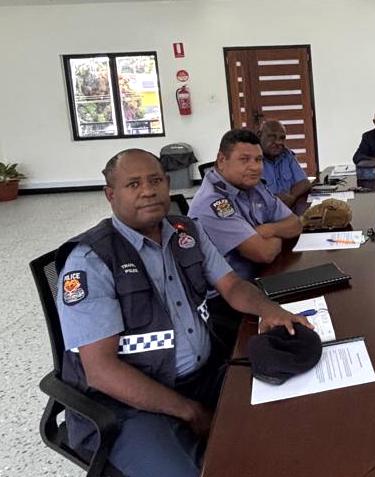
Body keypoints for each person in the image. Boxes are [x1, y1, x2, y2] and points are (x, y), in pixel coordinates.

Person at [55, 149, 312, 477]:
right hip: (129, 405)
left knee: (288, 417)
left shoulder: (185, 231)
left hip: (202, 375)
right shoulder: (91, 260)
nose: (148, 191)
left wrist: (271, 310)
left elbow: (233, 286)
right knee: (202, 471)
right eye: (133, 184)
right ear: (110, 195)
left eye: (155, 181)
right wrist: (191, 412)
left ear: (168, 183)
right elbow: (102, 371)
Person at [188, 128, 302, 281]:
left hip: (263, 275)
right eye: (244, 159)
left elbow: (295, 224)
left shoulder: (254, 186)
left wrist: (267, 229)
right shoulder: (212, 202)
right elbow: (264, 253)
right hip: (232, 290)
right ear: (221, 160)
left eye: (258, 160)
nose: (255, 167)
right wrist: (279, 235)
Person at [257, 120, 312, 208]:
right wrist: (276, 200)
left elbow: (304, 182)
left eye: (282, 138)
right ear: (259, 135)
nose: (278, 142)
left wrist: (291, 196)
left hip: (290, 208)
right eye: (272, 137)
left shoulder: (286, 155)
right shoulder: (253, 159)